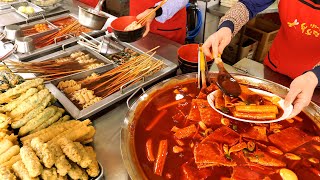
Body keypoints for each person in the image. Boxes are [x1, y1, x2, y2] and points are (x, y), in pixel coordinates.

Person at [202, 0, 320, 118]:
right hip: (276, 68)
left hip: (315, 85)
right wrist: (227, 27)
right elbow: (249, 4)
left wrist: (314, 76)